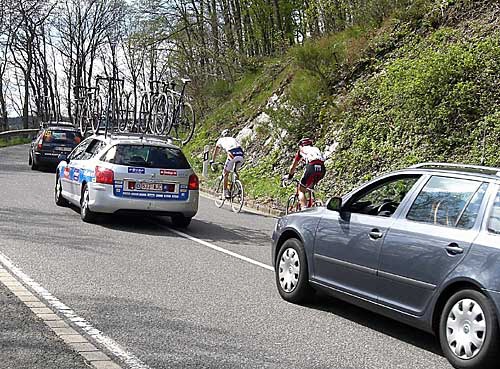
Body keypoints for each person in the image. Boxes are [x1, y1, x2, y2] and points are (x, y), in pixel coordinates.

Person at [286, 138, 326, 209]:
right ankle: (312, 201)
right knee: (309, 186)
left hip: (311, 166)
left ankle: (304, 209)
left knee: (301, 190)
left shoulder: (301, 150)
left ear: (301, 145)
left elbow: (293, 167)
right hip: (322, 168)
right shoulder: (316, 148)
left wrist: (290, 176)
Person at [210, 129, 245, 198]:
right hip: (241, 154)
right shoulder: (233, 139)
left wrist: (213, 160)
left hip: (231, 154)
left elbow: (216, 151)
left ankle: (225, 193)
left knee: (225, 173)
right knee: (235, 171)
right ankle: (237, 187)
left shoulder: (220, 140)